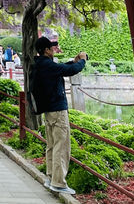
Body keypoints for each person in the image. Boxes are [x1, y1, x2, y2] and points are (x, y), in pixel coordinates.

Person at [31, 36, 87, 195]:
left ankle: (51, 178)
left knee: (52, 145)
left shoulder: (41, 64)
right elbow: (69, 71)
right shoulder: (47, 64)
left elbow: (61, 68)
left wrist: (74, 61)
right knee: (61, 146)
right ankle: (59, 182)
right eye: (52, 48)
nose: (54, 50)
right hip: (57, 110)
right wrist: (82, 61)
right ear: (46, 50)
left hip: (49, 111)